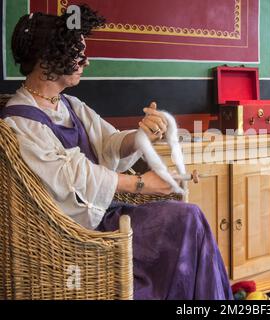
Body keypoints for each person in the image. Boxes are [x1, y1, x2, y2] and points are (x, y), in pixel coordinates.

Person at [1, 5, 233, 300]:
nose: (87, 62)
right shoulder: (20, 120)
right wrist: (141, 184)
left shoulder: (70, 105)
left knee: (189, 217)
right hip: (72, 233)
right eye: (79, 54)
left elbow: (108, 142)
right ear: (48, 57)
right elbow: (69, 176)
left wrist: (140, 137)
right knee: (186, 219)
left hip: (104, 214)